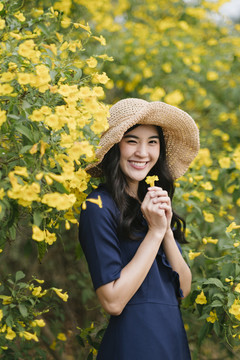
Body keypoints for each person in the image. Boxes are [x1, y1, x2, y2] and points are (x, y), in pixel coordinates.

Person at [79, 98, 200, 360]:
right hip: (134, 342)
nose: (143, 153)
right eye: (132, 141)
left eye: (152, 142)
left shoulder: (149, 205)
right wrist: (155, 234)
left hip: (171, 338)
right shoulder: (97, 206)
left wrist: (165, 229)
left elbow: (183, 289)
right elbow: (112, 301)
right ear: (115, 147)